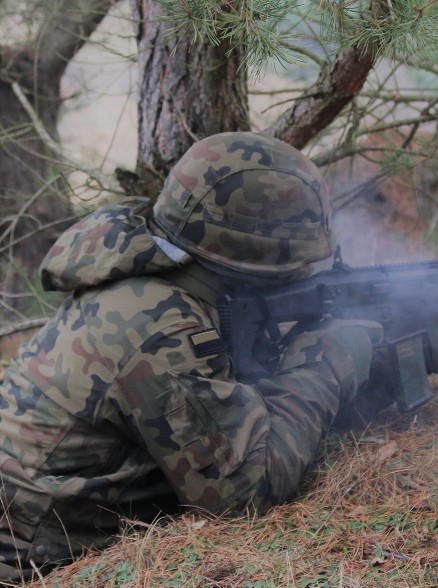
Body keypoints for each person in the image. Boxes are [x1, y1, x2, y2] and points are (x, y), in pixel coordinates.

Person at [0, 132, 385, 582]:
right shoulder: (156, 324)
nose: (304, 271)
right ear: (252, 257)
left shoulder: (158, 276)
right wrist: (329, 361)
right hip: (31, 562)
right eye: (296, 262)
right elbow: (243, 496)